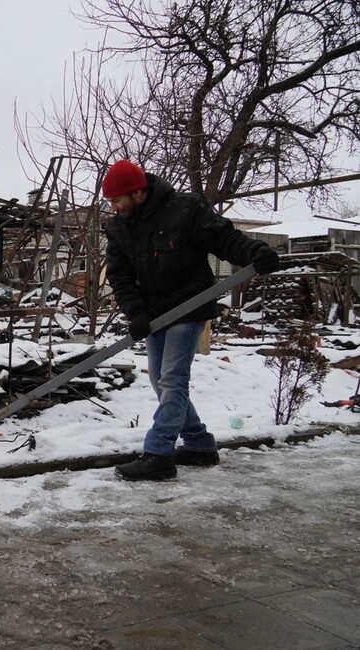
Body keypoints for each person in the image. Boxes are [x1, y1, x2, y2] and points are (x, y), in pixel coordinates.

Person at [102, 160, 280, 481]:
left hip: (189, 305)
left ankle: (158, 454)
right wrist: (137, 312)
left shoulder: (185, 209)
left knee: (172, 381)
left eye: (116, 200)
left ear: (138, 192)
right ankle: (198, 443)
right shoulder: (118, 227)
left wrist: (254, 251)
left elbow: (224, 239)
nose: (113, 208)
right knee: (161, 381)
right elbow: (120, 275)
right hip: (155, 314)